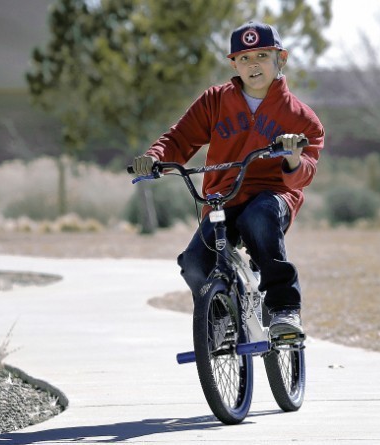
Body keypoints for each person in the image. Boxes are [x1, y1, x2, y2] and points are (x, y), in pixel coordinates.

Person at [130, 21, 324, 337]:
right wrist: (154, 157)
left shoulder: (301, 118)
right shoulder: (215, 101)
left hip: (273, 195)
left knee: (258, 219)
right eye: (244, 58)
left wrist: (292, 156)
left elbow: (306, 173)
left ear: (281, 58)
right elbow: (179, 139)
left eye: (262, 55)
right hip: (224, 196)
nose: (253, 64)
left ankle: (284, 310)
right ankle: (222, 319)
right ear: (233, 64)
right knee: (194, 263)